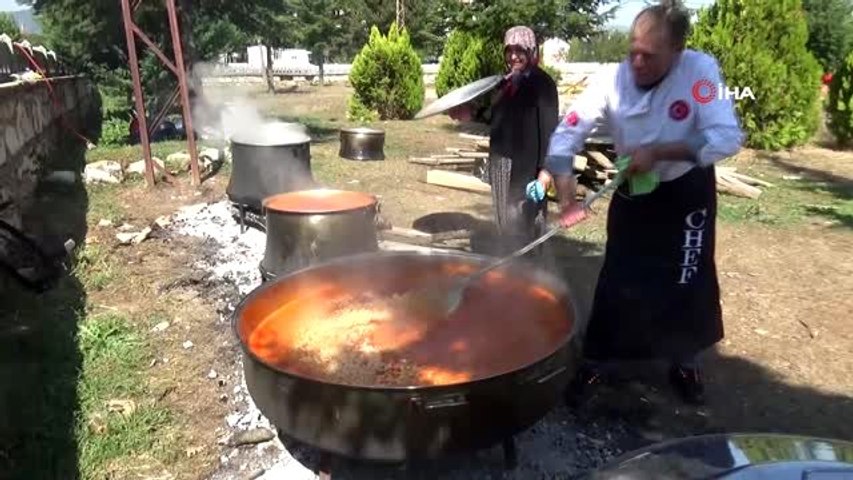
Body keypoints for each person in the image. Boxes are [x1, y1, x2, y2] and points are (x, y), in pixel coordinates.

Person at [537, 0, 744, 405]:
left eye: (650, 55)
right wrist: (567, 199)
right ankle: (596, 362)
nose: (637, 61)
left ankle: (684, 361)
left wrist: (662, 152)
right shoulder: (610, 80)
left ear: (677, 51)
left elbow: (726, 136)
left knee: (688, 276)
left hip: (686, 190)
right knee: (619, 275)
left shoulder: (701, 73)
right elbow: (566, 136)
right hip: (634, 188)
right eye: (633, 50)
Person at [447, 26, 561, 254]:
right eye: (509, 50)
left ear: (531, 50)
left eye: (520, 50)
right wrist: (471, 114)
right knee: (505, 224)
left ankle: (531, 271)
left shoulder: (542, 84)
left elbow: (551, 132)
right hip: (501, 166)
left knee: (526, 226)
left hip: (526, 170)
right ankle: (508, 266)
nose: (513, 56)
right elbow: (496, 118)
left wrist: (545, 174)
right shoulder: (506, 83)